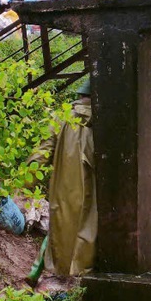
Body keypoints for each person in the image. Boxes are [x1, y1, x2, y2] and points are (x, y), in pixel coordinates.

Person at [26, 80, 95, 277]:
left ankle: (59, 275)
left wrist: (23, 184)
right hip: (95, 193)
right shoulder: (109, 122)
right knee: (89, 234)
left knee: (62, 231)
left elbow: (41, 154)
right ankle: (83, 277)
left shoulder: (61, 117)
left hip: (64, 190)